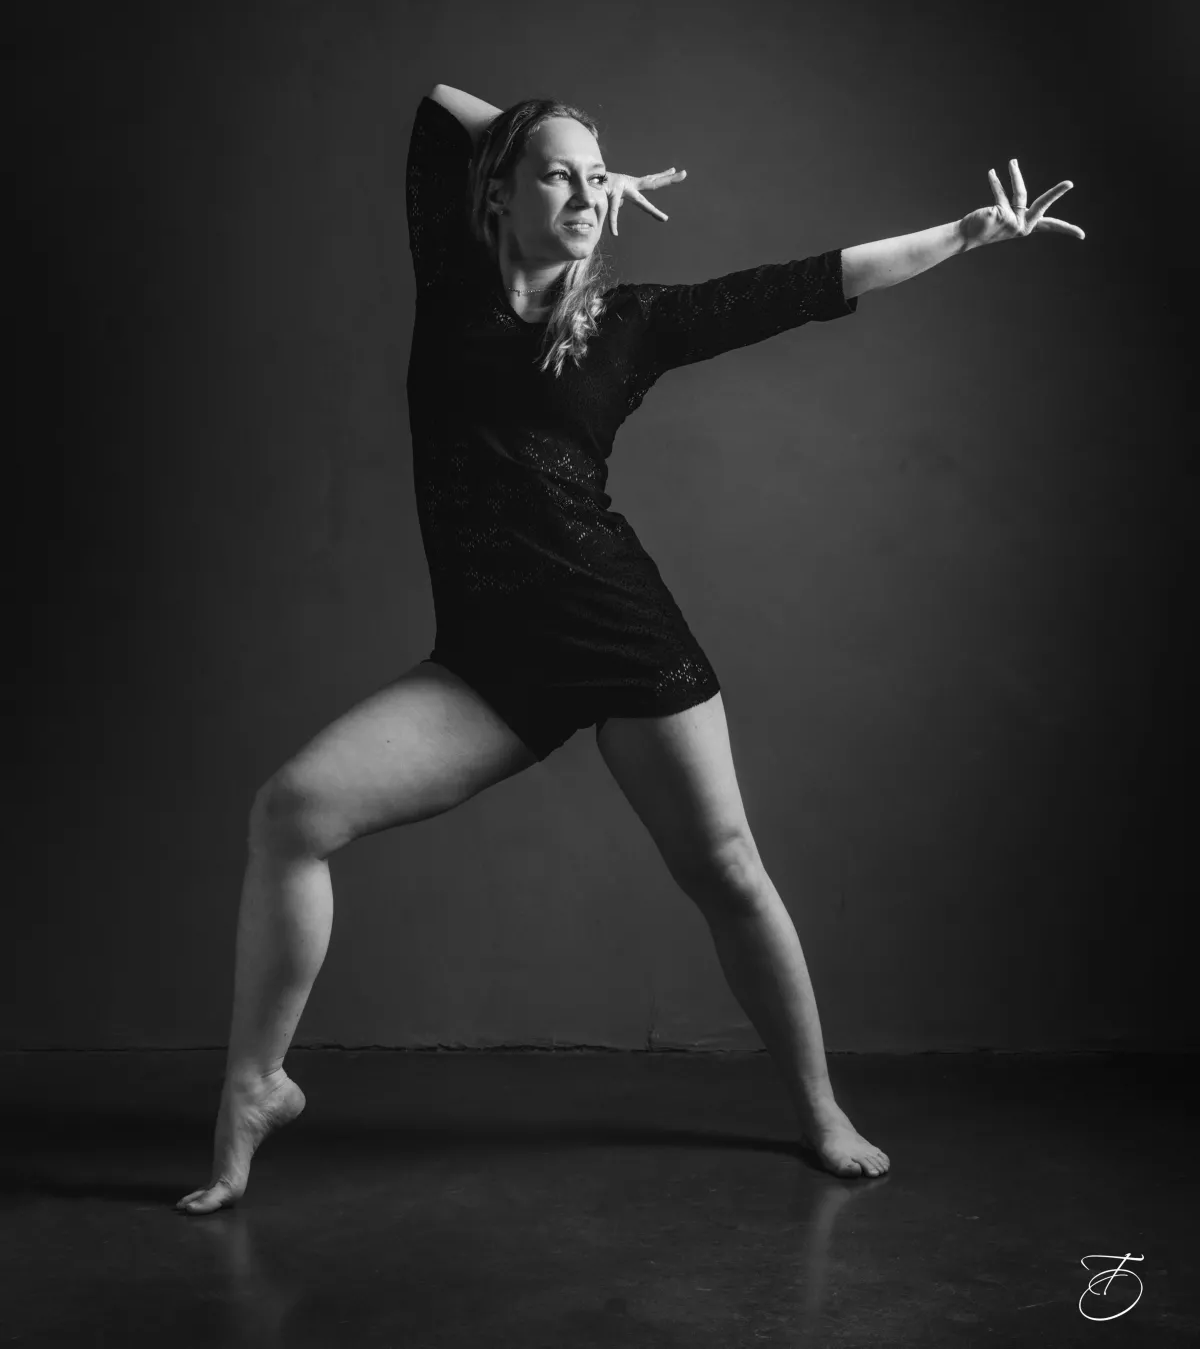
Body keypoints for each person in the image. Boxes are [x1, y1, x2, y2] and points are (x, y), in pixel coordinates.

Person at [177, 82, 1082, 1214]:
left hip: (620, 631)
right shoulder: (451, 286)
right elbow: (436, 109)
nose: (588, 196)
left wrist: (961, 235)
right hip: (489, 668)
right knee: (291, 812)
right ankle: (255, 1085)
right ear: (497, 195)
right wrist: (549, 137)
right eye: (558, 175)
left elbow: (800, 288)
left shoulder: (628, 325)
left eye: (598, 181)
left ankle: (820, 1110)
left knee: (729, 870)